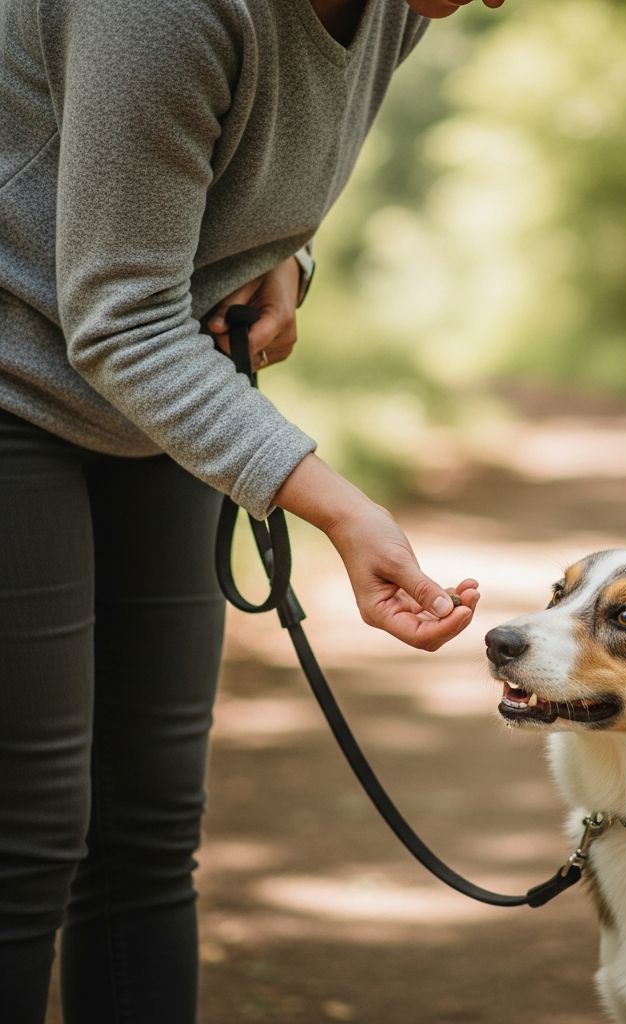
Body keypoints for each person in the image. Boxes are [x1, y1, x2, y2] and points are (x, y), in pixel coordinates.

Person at [0, 0, 503, 1019]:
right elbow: (120, 315)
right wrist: (344, 511)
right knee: (27, 829)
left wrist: (282, 254)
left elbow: (247, 166)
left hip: (158, 380)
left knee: (147, 826)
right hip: (20, 369)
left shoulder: (402, 7)